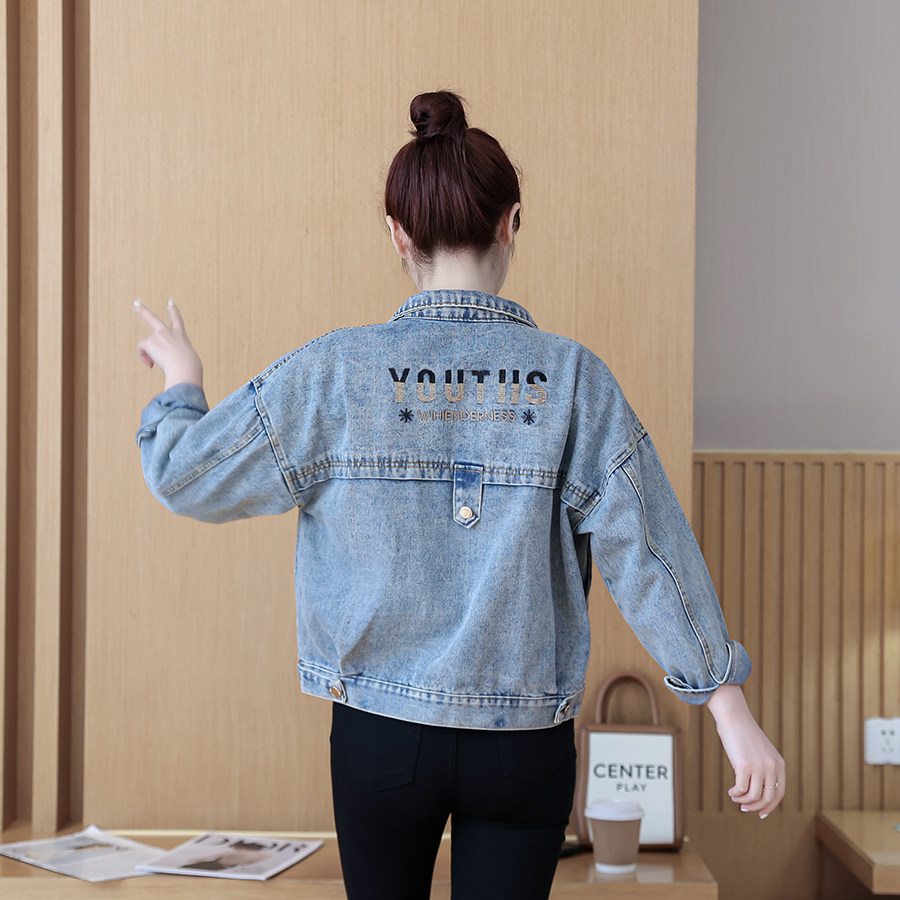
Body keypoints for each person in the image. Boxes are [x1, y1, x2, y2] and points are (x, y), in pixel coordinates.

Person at [134, 90, 784, 900]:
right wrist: (727, 706)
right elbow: (649, 552)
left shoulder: (334, 371)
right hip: (522, 745)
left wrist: (183, 383)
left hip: (380, 737)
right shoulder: (574, 379)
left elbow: (186, 475)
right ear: (511, 223)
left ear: (397, 235)